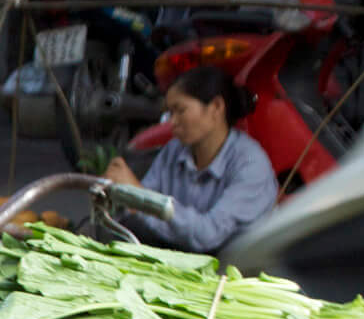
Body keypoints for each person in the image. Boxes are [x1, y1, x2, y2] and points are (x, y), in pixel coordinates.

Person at [104, 66, 277, 255]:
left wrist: (137, 195)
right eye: (170, 113)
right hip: (184, 256)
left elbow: (207, 235)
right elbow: (141, 211)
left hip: (234, 268)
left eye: (180, 110)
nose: (172, 122)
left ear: (216, 107)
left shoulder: (250, 163)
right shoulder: (174, 150)